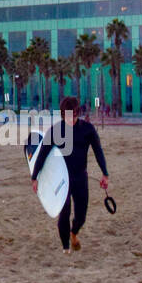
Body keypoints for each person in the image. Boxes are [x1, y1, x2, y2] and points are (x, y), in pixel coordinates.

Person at [31, 95, 110, 254]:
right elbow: (42, 154)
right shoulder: (55, 131)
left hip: (81, 176)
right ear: (62, 114)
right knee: (64, 211)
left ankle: (74, 233)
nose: (71, 119)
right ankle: (66, 247)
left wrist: (105, 174)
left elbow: (98, 152)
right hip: (61, 179)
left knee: (81, 215)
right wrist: (35, 177)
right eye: (67, 115)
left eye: (74, 115)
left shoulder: (88, 129)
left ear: (77, 112)